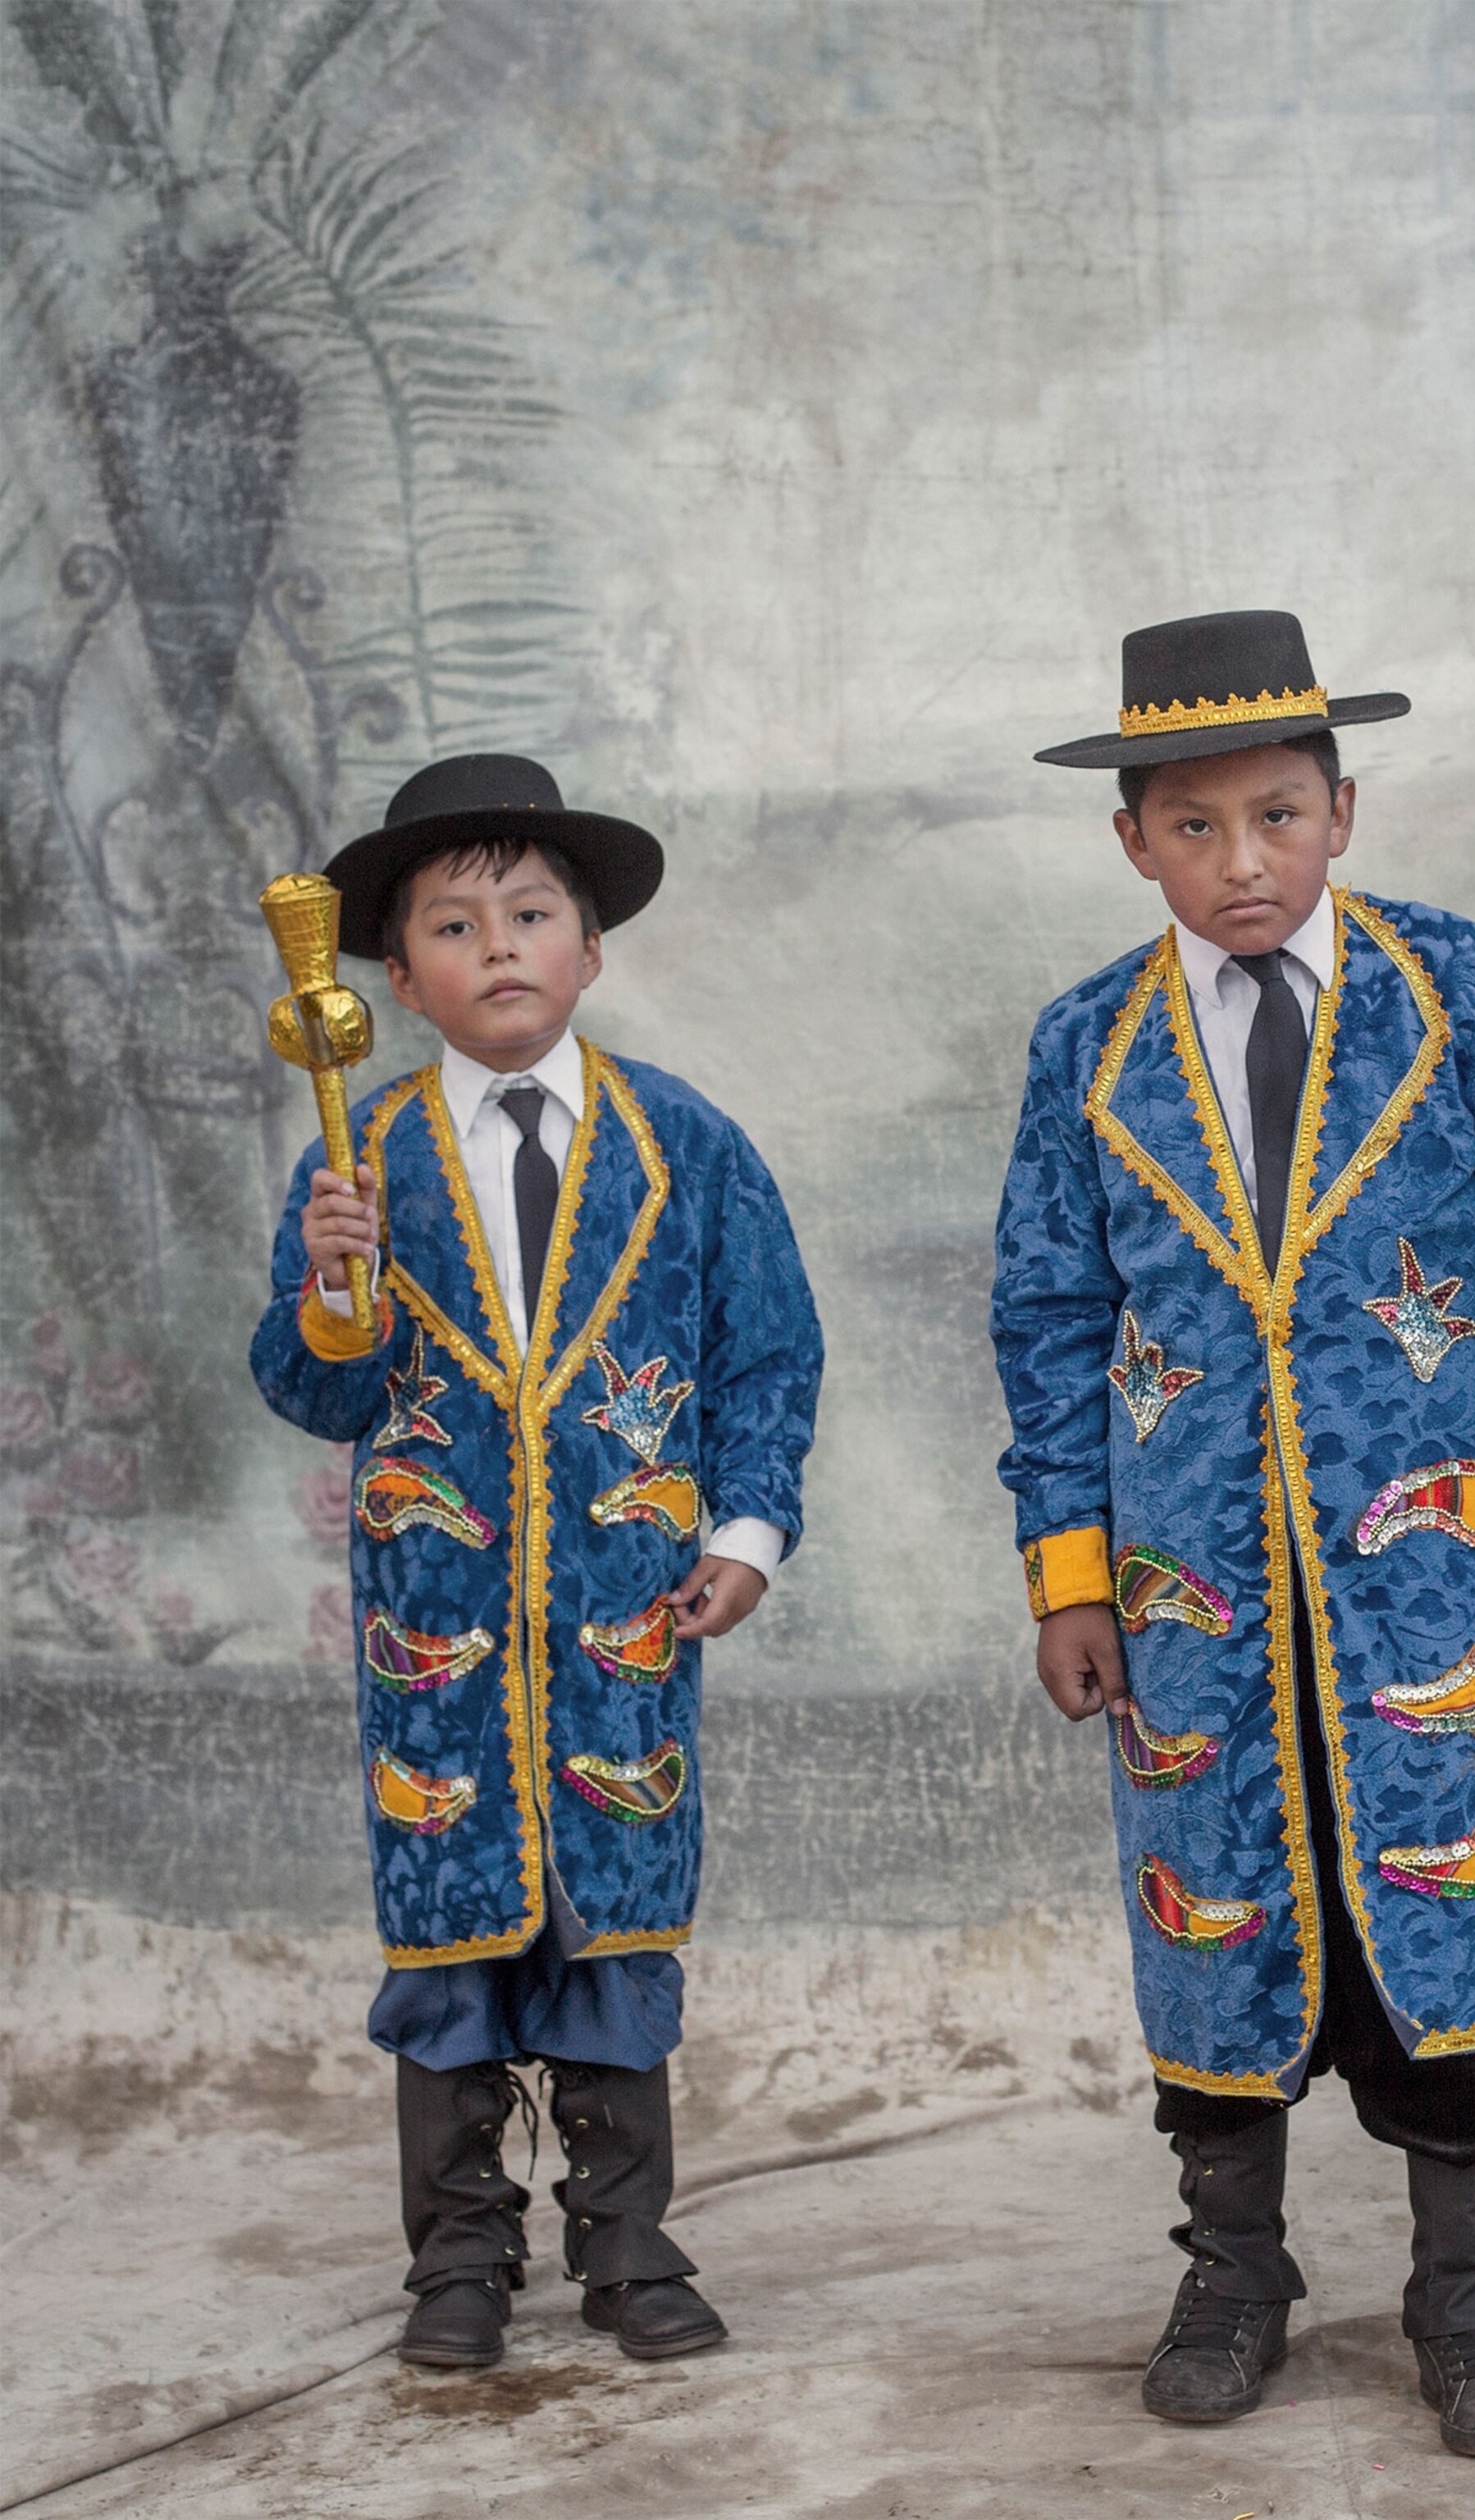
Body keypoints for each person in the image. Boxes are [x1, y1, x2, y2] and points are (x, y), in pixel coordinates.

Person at [992, 611, 1475, 2458]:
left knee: (1446, 1902)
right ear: (1132, 842)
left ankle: (1467, 2296)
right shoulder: (1088, 1047)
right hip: (1192, 1573)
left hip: (1418, 1572)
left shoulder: (1445, 983)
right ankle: (1236, 2265)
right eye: (1195, 830)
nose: (1242, 864)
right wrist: (1069, 1569)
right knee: (1218, 1901)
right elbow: (1049, 1321)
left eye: (1277, 818)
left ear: (1343, 813)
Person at [249, 755, 822, 2370]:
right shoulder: (357, 1163)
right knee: (451, 1928)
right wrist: (327, 1288)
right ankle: (457, 2259)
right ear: (388, 976)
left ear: (590, 947)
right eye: (452, 921)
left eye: (530, 912)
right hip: (435, 1637)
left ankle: (630, 2245)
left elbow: (767, 1358)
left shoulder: (684, 1149)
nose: (497, 945)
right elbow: (318, 1396)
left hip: (625, 1623)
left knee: (616, 1918)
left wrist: (747, 1532)